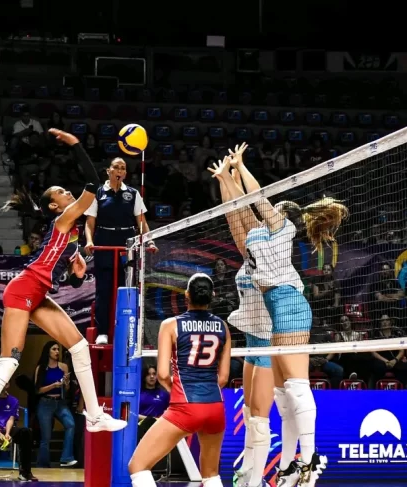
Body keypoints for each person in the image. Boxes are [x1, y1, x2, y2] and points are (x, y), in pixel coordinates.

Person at [0, 128, 127, 459]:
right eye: (63, 192)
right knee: (8, 362)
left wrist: (76, 267)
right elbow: (94, 184)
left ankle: (94, 416)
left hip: (39, 294)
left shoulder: (70, 238)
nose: (68, 193)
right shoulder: (64, 218)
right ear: (54, 204)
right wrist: (76, 144)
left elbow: (72, 279)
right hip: (24, 289)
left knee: (78, 347)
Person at [217, 144, 347, 487]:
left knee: (296, 386)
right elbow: (237, 211)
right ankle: (289, 465)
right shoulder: (256, 239)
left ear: (281, 215)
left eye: (272, 210)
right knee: (284, 395)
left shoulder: (282, 229)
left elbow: (257, 198)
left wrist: (242, 167)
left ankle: (311, 458)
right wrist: (225, 177)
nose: (267, 211)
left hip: (288, 305)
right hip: (276, 312)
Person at [128, 273, 230, 487]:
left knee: (138, 466)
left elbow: (163, 374)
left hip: (185, 406)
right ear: (212, 296)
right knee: (211, 475)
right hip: (215, 407)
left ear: (186, 296)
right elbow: (223, 378)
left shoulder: (170, 325)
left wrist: (177, 391)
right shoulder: (223, 326)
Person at [208, 157, 274, 487]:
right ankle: (248, 471)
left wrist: (236, 178)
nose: (250, 233)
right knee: (250, 415)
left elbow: (246, 212)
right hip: (253, 343)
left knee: (261, 419)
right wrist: (224, 179)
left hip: (270, 342)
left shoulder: (270, 261)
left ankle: (255, 478)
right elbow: (235, 215)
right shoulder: (249, 257)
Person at [84, 157, 156, 344]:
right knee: (104, 290)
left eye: (123, 168)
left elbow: (142, 222)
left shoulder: (132, 194)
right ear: (108, 171)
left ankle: (125, 330)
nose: (119, 170)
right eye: (116, 167)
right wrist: (90, 241)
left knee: (126, 289)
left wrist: (149, 241)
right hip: (104, 243)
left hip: (127, 245)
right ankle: (103, 332)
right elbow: (90, 222)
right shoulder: (98, 193)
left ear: (125, 173)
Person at [0, 382, 37, 481]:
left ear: (7, 385)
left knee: (26, 432)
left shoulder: (13, 400)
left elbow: (11, 419)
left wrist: (6, 434)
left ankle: (25, 472)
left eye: (4, 383)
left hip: (8, 429)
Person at [34, 341, 76, 467]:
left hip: (60, 402)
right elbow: (38, 390)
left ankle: (66, 457)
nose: (57, 352)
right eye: (54, 349)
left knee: (71, 424)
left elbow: (67, 389)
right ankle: (43, 464)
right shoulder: (41, 368)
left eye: (58, 349)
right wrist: (53, 385)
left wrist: (66, 383)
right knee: (46, 437)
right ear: (48, 351)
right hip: (45, 402)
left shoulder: (63, 367)